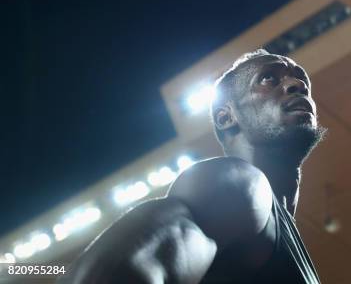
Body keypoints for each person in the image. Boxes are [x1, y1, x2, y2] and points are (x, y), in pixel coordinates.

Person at [59, 49, 326, 283]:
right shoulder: (240, 184)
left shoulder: (283, 231)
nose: (296, 84)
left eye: (301, 79)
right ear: (226, 117)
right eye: (269, 78)